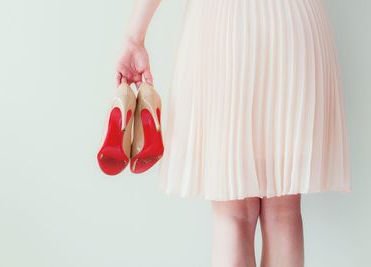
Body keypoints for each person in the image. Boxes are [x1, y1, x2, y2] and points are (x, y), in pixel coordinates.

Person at [115, 0, 351, 266]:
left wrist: (134, 38)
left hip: (225, 30)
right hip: (295, 26)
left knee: (233, 213)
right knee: (284, 210)